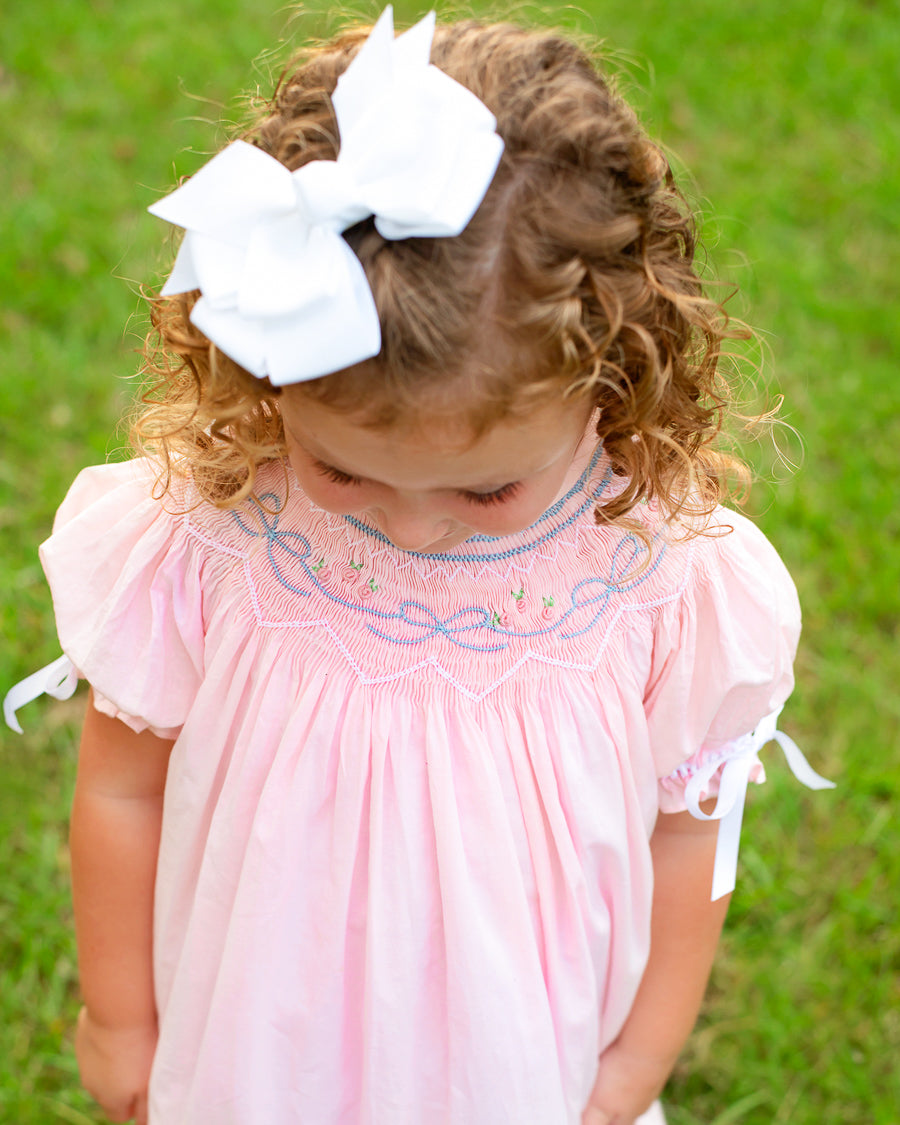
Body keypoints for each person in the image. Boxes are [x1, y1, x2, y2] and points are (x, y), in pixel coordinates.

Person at [4, 8, 833, 1124]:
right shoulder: (218, 529)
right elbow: (119, 784)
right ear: (267, 383)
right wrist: (122, 1018)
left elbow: (688, 838)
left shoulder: (655, 578)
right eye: (342, 471)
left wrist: (637, 1061)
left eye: (485, 490)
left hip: (516, 1065)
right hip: (258, 1048)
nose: (415, 528)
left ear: (614, 371)